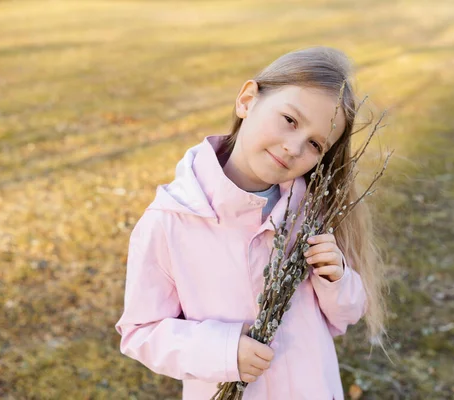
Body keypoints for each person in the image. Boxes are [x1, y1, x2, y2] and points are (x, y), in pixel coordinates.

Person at [115, 46, 388, 400]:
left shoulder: (310, 213)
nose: (293, 147)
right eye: (289, 120)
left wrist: (337, 279)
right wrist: (224, 351)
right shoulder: (171, 221)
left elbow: (344, 316)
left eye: (315, 144)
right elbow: (141, 333)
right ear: (247, 100)